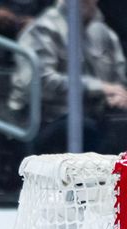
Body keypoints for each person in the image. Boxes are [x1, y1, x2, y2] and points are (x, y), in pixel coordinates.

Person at [9, 0, 127, 154]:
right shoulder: (42, 29)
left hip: (97, 116)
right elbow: (38, 84)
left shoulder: (105, 34)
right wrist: (99, 88)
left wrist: (120, 97)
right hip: (45, 119)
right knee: (84, 128)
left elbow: (119, 82)